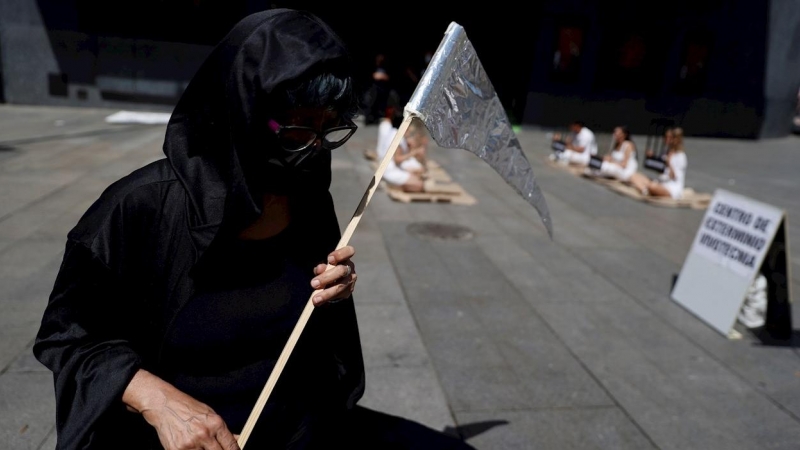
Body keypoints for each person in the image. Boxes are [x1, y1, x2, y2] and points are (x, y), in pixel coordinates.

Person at [32, 9, 474, 450]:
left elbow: (311, 339)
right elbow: (69, 338)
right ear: (239, 113)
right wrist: (158, 400)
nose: (314, 148)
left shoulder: (307, 193)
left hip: (291, 425)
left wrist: (334, 292)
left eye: (328, 127)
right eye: (298, 128)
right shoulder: (139, 208)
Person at [376, 106, 427, 192]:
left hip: (388, 167)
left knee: (417, 176)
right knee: (420, 185)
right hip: (390, 171)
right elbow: (397, 159)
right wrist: (414, 153)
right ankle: (394, 185)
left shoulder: (393, 132)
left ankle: (396, 184)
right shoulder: (397, 139)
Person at [629, 127, 688, 199]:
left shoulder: (680, 156)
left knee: (652, 186)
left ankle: (645, 189)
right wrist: (652, 157)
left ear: (675, 140)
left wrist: (669, 163)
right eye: (665, 137)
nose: (666, 139)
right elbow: (660, 169)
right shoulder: (666, 152)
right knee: (633, 176)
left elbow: (674, 176)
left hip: (672, 188)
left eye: (669, 138)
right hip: (661, 182)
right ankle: (645, 191)